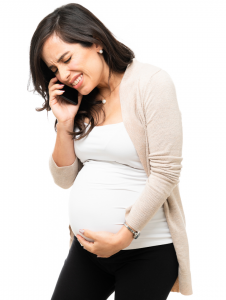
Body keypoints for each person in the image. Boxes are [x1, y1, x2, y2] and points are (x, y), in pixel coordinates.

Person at [28, 3, 193, 299]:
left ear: (96, 41)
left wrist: (123, 235)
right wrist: (65, 124)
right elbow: (65, 179)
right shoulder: (82, 100)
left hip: (147, 250)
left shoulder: (151, 83)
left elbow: (166, 172)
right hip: (87, 250)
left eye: (67, 59)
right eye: (55, 69)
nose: (64, 75)